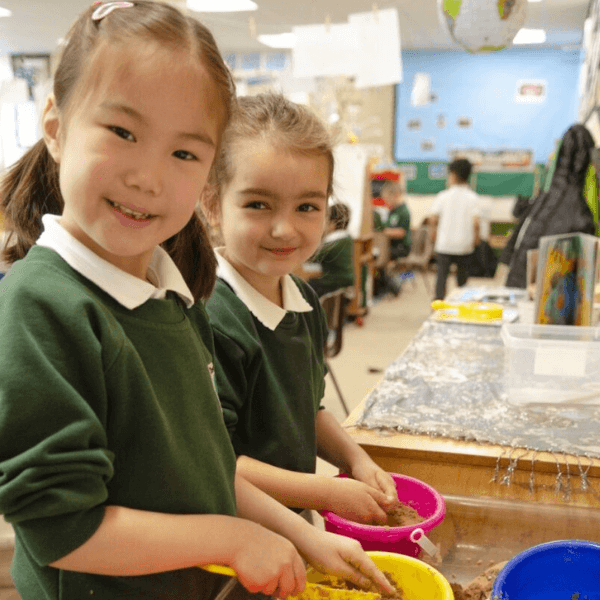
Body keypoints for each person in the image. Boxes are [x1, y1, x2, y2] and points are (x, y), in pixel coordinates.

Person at [0, 4, 395, 600]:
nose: (149, 178)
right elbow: (64, 530)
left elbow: (209, 466)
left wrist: (303, 538)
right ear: (55, 127)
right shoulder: (42, 308)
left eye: (184, 153)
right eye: (123, 133)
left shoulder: (174, 292)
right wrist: (230, 540)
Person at [203, 93, 400, 528]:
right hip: (230, 536)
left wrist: (356, 459)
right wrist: (326, 490)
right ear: (213, 204)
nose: (284, 229)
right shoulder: (209, 316)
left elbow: (308, 409)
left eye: (307, 207)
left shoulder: (302, 299)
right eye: (258, 204)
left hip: (290, 528)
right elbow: (216, 463)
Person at [430, 158, 480, 300]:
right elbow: (476, 223)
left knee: (441, 278)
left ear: (452, 175)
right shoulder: (473, 198)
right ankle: (461, 304)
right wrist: (476, 239)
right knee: (462, 280)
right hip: (464, 245)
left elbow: (433, 219)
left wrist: (433, 234)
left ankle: (438, 305)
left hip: (445, 244)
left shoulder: (443, 196)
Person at [307, 202, 355, 298]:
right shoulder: (346, 238)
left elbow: (312, 257)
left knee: (307, 286)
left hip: (334, 282)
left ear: (332, 225)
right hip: (345, 281)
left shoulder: (332, 242)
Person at [381, 180, 411, 260]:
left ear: (396, 195)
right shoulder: (392, 211)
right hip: (390, 245)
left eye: (387, 199)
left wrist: (383, 232)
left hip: (401, 248)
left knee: (381, 253)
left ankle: (384, 272)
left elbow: (401, 232)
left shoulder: (403, 211)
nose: (386, 202)